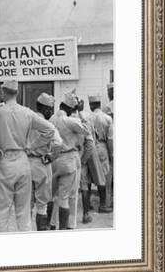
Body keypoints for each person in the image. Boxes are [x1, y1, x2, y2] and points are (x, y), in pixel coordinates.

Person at [0, 80, 56, 232]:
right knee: (23, 212)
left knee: (3, 210)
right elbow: (50, 130)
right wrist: (32, 146)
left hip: (5, 161)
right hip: (23, 160)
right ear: (17, 93)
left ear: (3, 92)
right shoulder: (27, 112)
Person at [49, 92, 90, 230]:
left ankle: (51, 224)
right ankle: (65, 228)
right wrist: (80, 113)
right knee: (66, 197)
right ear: (71, 109)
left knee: (52, 195)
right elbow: (87, 130)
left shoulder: (51, 119)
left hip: (54, 160)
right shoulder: (70, 120)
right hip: (69, 159)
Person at [26, 93, 62, 231]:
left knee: (25, 204)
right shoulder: (48, 125)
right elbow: (58, 145)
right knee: (42, 205)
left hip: (25, 164)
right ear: (46, 109)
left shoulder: (26, 121)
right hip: (41, 164)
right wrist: (52, 157)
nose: (51, 112)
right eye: (51, 109)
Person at [89, 94, 114, 210]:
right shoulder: (107, 118)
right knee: (103, 175)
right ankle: (103, 204)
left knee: (88, 174)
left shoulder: (87, 117)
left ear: (92, 105)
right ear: (99, 104)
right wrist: (111, 153)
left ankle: (87, 204)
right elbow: (110, 138)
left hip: (90, 146)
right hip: (102, 146)